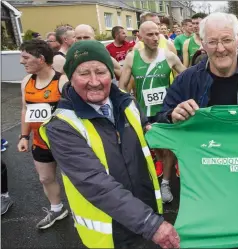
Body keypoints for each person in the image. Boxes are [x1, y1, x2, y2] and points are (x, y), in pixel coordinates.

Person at [39, 40, 179, 249]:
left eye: (101, 72)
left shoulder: (126, 102)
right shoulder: (61, 126)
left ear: (112, 73)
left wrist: (171, 118)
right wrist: (150, 224)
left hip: (146, 217)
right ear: (70, 77)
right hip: (110, 234)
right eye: (84, 73)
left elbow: (145, 128)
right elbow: (94, 183)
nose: (94, 81)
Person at [119, 21, 186, 203]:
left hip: (165, 112)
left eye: (157, 33)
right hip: (143, 113)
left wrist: (179, 97)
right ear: (140, 37)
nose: (155, 38)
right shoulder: (132, 58)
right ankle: (157, 175)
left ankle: (165, 183)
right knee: (154, 149)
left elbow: (187, 77)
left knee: (168, 148)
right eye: (150, 34)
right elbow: (122, 86)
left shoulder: (169, 56)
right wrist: (128, 105)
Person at [18, 39, 69, 229]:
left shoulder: (62, 81)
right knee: (45, 178)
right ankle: (57, 209)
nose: (21, 62)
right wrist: (24, 136)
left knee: (77, 180)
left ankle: (88, 212)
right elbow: (25, 110)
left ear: (41, 59)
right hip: (40, 142)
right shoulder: (26, 82)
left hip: (64, 143)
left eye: (25, 57)